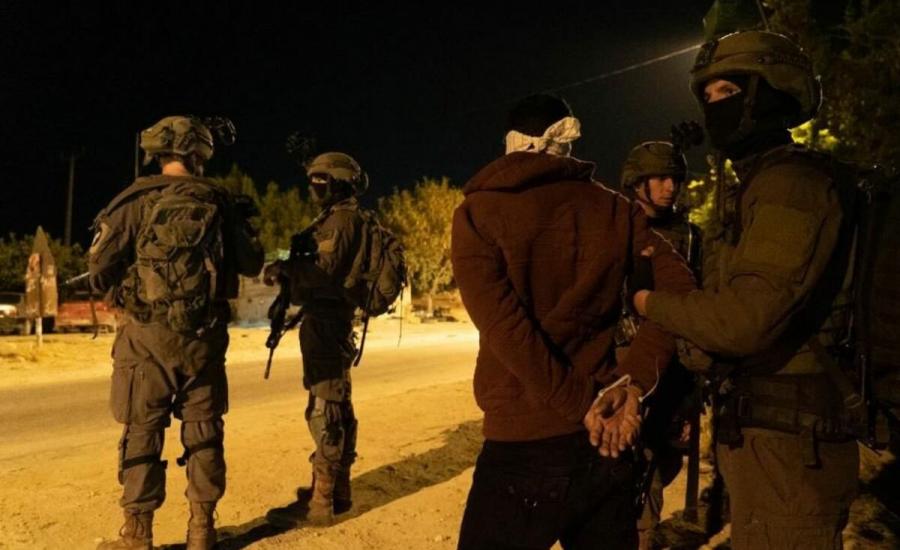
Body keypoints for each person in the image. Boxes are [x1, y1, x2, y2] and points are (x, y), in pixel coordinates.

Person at [633, 30, 859, 549]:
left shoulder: (790, 184)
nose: (716, 108)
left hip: (793, 448)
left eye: (729, 93)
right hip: (768, 437)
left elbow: (741, 322)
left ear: (771, 92)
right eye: (709, 96)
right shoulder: (757, 183)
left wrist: (648, 302)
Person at [452, 93, 696, 550]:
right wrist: (632, 384)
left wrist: (584, 403)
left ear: (511, 142)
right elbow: (681, 292)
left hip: (523, 444)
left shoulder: (478, 214)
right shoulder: (615, 210)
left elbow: (505, 329)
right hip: (605, 442)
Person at [90, 115, 264, 550]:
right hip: (203, 341)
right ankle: (202, 530)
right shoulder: (221, 201)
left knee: (142, 432)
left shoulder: (134, 199)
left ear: (159, 151)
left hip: (145, 338)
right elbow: (251, 264)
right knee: (204, 431)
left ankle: (138, 534)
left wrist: (119, 290)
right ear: (200, 153)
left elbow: (98, 267)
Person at [264, 152, 369, 527]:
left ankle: (321, 503)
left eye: (320, 180)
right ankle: (337, 492)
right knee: (336, 403)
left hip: (328, 322)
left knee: (325, 408)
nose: (313, 187)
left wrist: (283, 269)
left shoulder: (341, 220)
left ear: (339, 183)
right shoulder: (341, 217)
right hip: (329, 320)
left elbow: (323, 272)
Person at [619, 141, 703, 549]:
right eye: (660, 178)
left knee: (663, 462)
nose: (671, 187)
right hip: (626, 364)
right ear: (638, 183)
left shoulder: (690, 236)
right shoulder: (617, 228)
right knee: (635, 468)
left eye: (675, 179)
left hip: (676, 368)